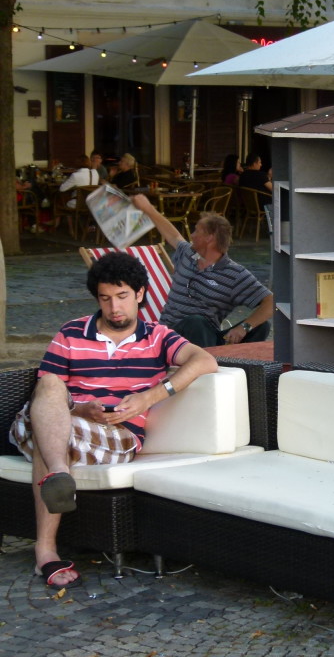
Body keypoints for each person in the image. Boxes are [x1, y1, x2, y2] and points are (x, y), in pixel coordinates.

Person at [7, 251, 217, 589]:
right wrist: (77, 409)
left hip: (117, 433)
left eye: (122, 297)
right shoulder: (71, 332)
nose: (114, 307)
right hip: (67, 422)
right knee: (49, 385)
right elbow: (46, 394)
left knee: (45, 432)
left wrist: (148, 397)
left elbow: (205, 360)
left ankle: (46, 547)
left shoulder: (157, 337)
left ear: (139, 294)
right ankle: (59, 474)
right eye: (105, 299)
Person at [131, 193, 274, 347]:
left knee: (260, 325)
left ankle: (230, 362)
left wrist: (244, 327)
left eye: (196, 231)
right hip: (171, 336)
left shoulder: (234, 274)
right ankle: (211, 363)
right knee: (196, 321)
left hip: (206, 339)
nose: (191, 235)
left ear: (209, 238)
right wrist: (148, 209)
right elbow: (173, 235)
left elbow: (272, 302)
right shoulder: (188, 254)